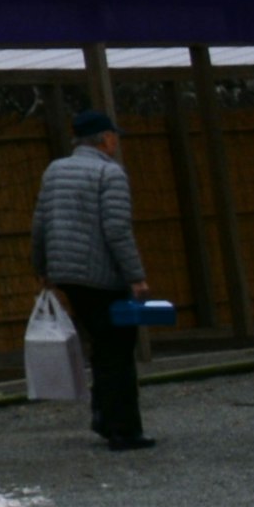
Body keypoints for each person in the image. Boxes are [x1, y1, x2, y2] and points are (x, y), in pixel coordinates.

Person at [29, 108, 154, 451]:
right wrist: (136, 276)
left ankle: (103, 418)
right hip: (102, 275)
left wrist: (41, 267)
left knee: (100, 347)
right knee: (117, 351)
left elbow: (39, 223)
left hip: (66, 274)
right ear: (105, 139)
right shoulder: (109, 173)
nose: (116, 141)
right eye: (114, 136)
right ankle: (124, 430)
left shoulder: (54, 171)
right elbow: (116, 230)